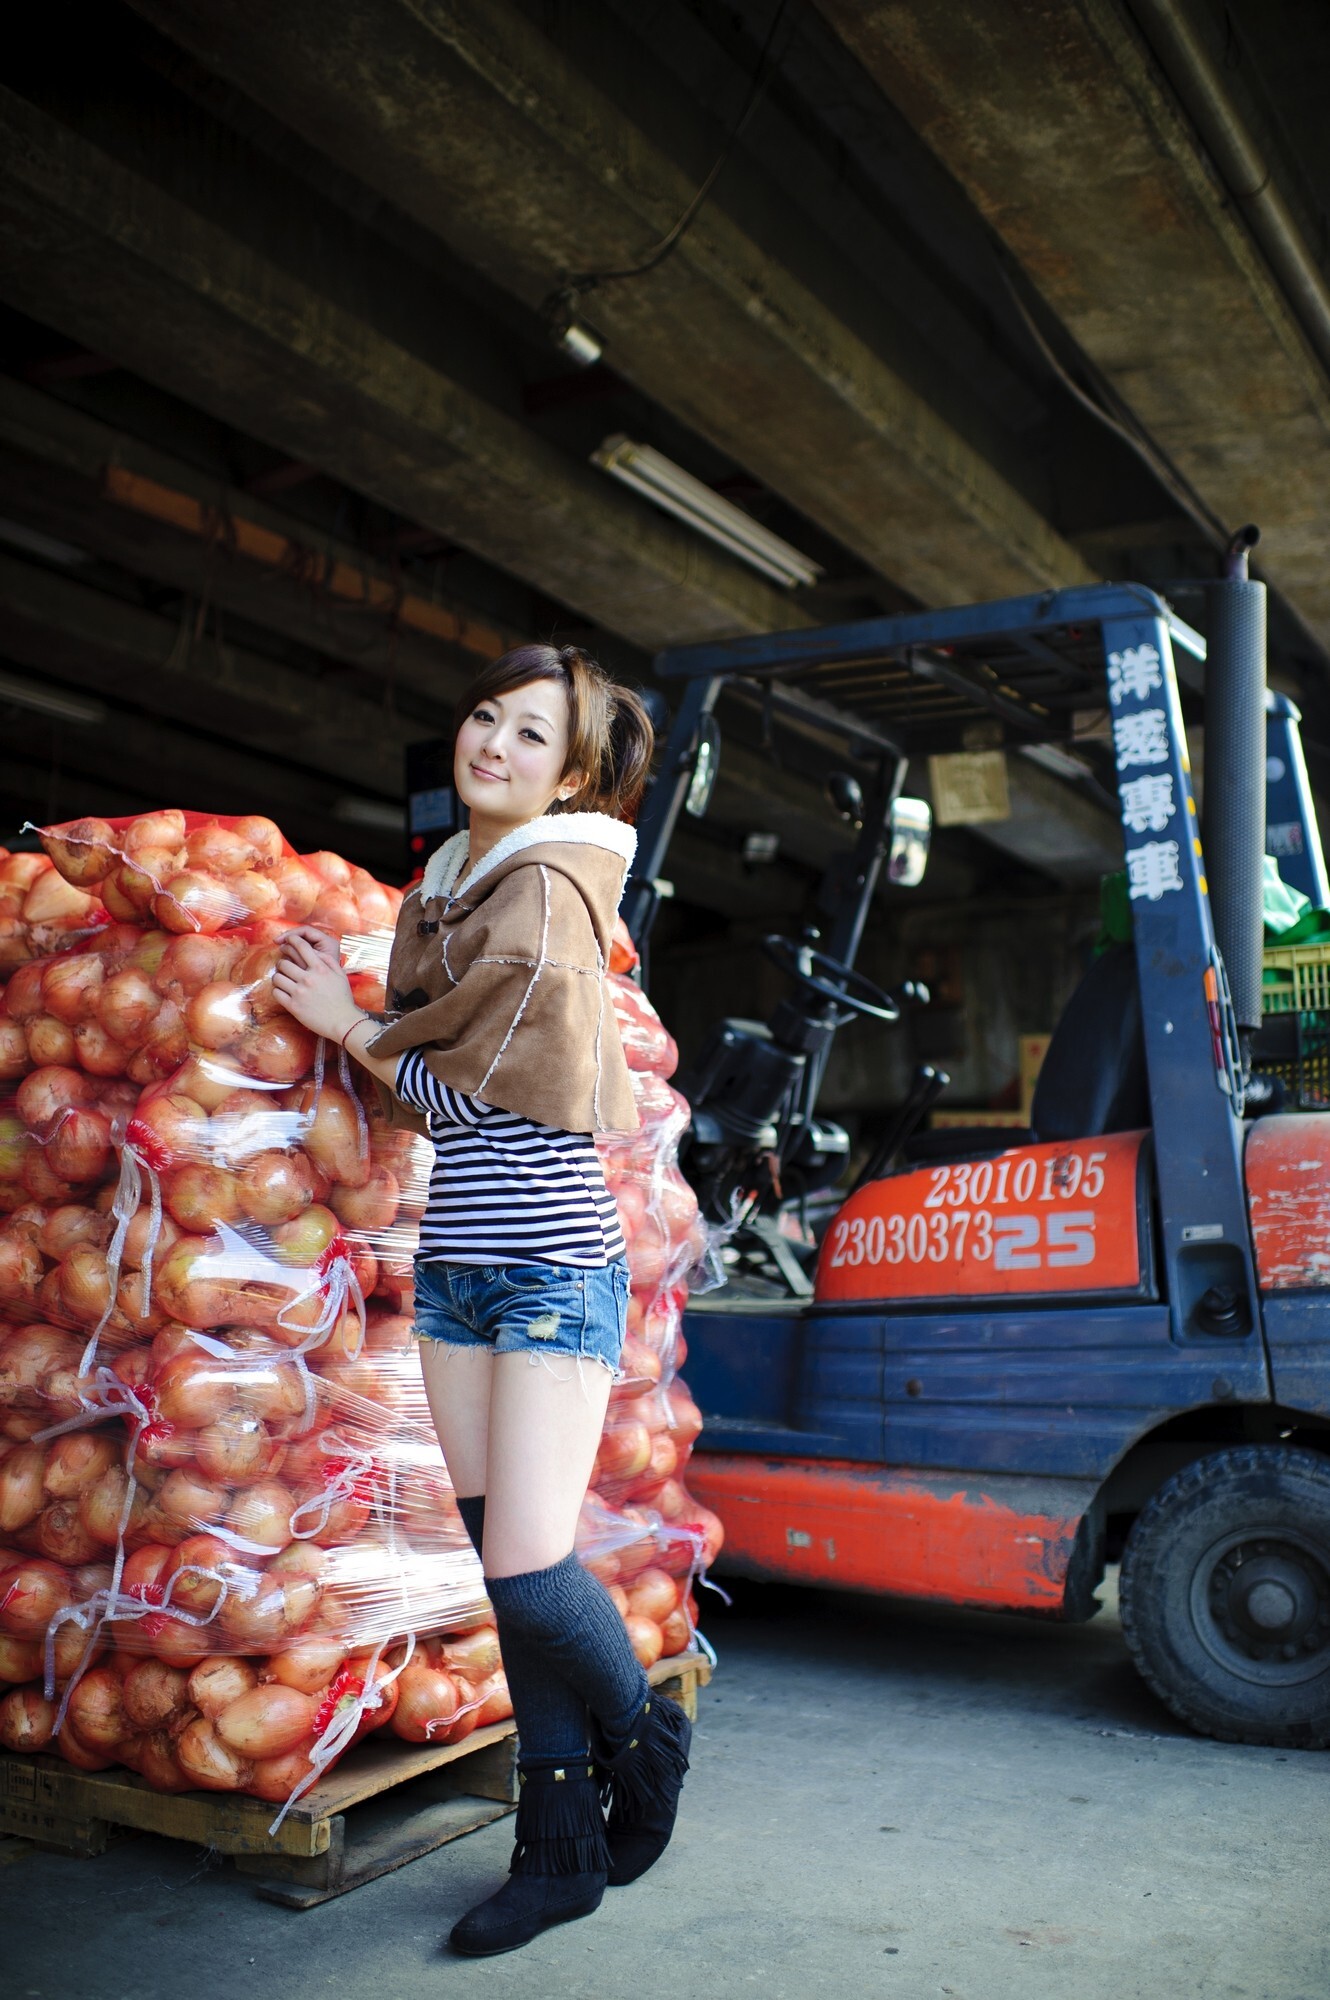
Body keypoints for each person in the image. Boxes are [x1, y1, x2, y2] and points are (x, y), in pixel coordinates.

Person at [272, 643, 689, 1956]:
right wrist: (372, 1009)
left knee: (526, 1563)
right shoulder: (452, 889)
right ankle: (555, 1847)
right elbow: (440, 1069)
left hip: (553, 1270)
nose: (491, 745)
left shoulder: (549, 894)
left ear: (569, 774)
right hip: (457, 1268)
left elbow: (481, 1101)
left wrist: (350, 1035)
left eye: (526, 735)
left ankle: (648, 1736)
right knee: (508, 1578)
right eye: (483, 719)